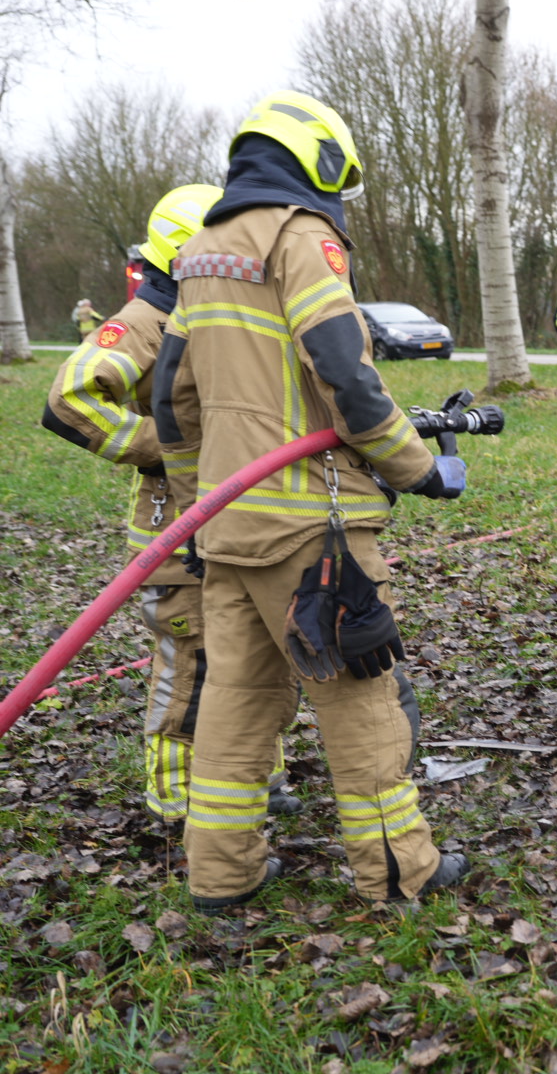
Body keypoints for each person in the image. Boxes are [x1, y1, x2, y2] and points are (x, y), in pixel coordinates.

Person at [153, 90, 468, 912]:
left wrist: (196, 505)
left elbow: (171, 401)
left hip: (226, 529)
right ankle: (398, 871)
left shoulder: (200, 252)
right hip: (312, 533)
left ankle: (222, 875)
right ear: (320, 161)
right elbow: (344, 372)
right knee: (360, 699)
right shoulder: (301, 236)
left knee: (235, 702)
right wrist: (419, 470)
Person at [42, 184, 304, 834]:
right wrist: (169, 447)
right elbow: (70, 399)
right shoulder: (144, 321)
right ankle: (176, 797)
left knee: (253, 656)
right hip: (174, 542)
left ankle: (256, 777)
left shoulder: (211, 314)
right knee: (191, 668)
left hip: (238, 528)